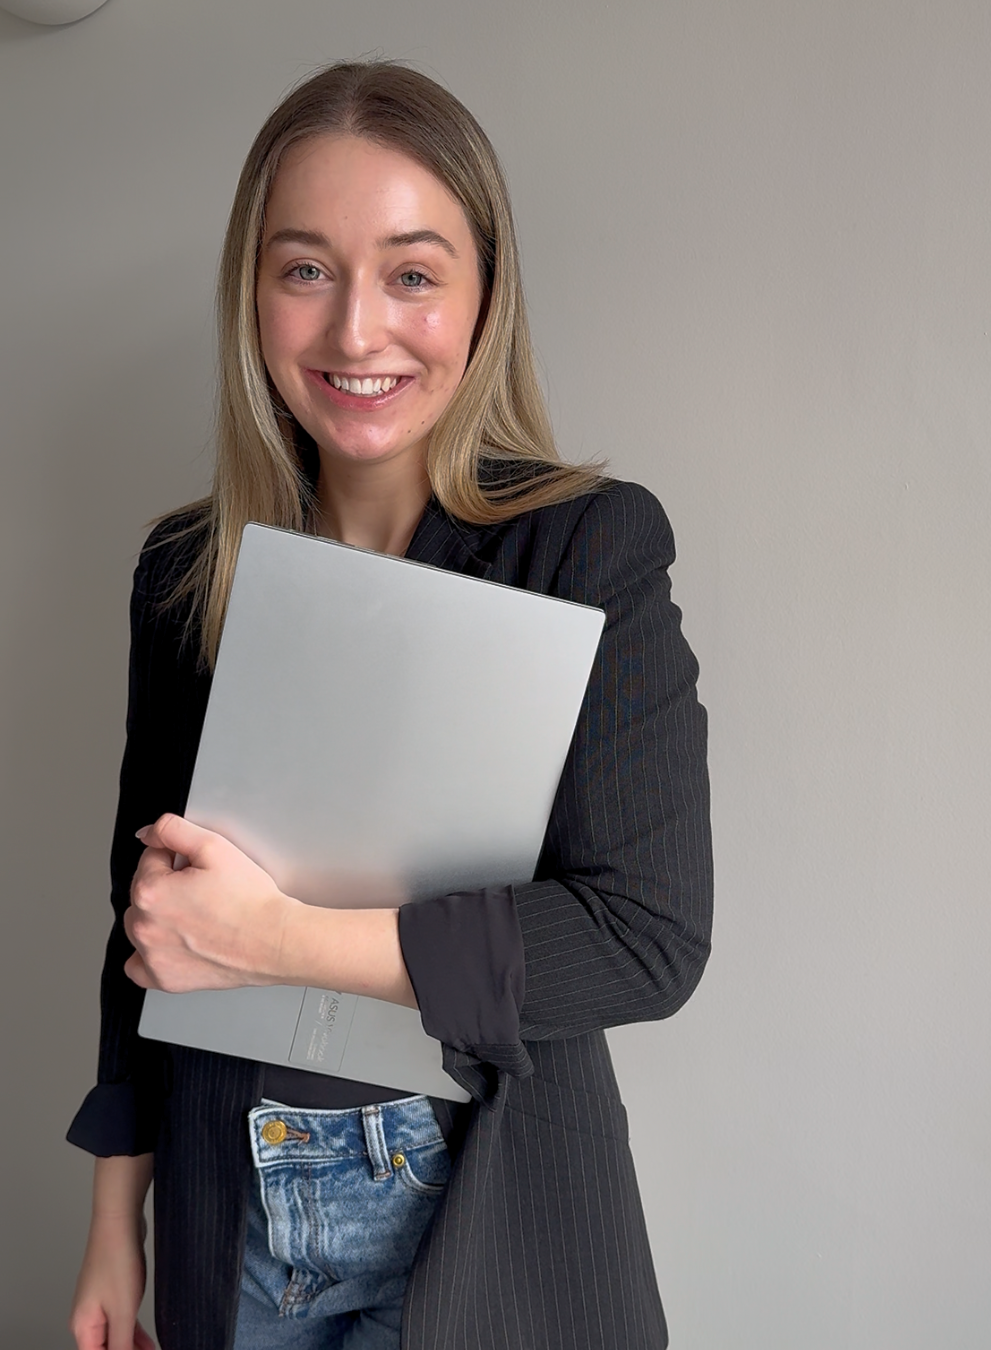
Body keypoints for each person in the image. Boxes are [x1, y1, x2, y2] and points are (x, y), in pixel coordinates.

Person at [67, 60, 712, 1350]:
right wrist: (111, 1226)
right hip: (229, 1195)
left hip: (486, 1206)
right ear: (252, 296)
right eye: (305, 269)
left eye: (413, 273)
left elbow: (644, 937)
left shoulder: (586, 551)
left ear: (484, 301)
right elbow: (142, 918)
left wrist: (278, 938)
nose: (357, 331)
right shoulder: (188, 571)